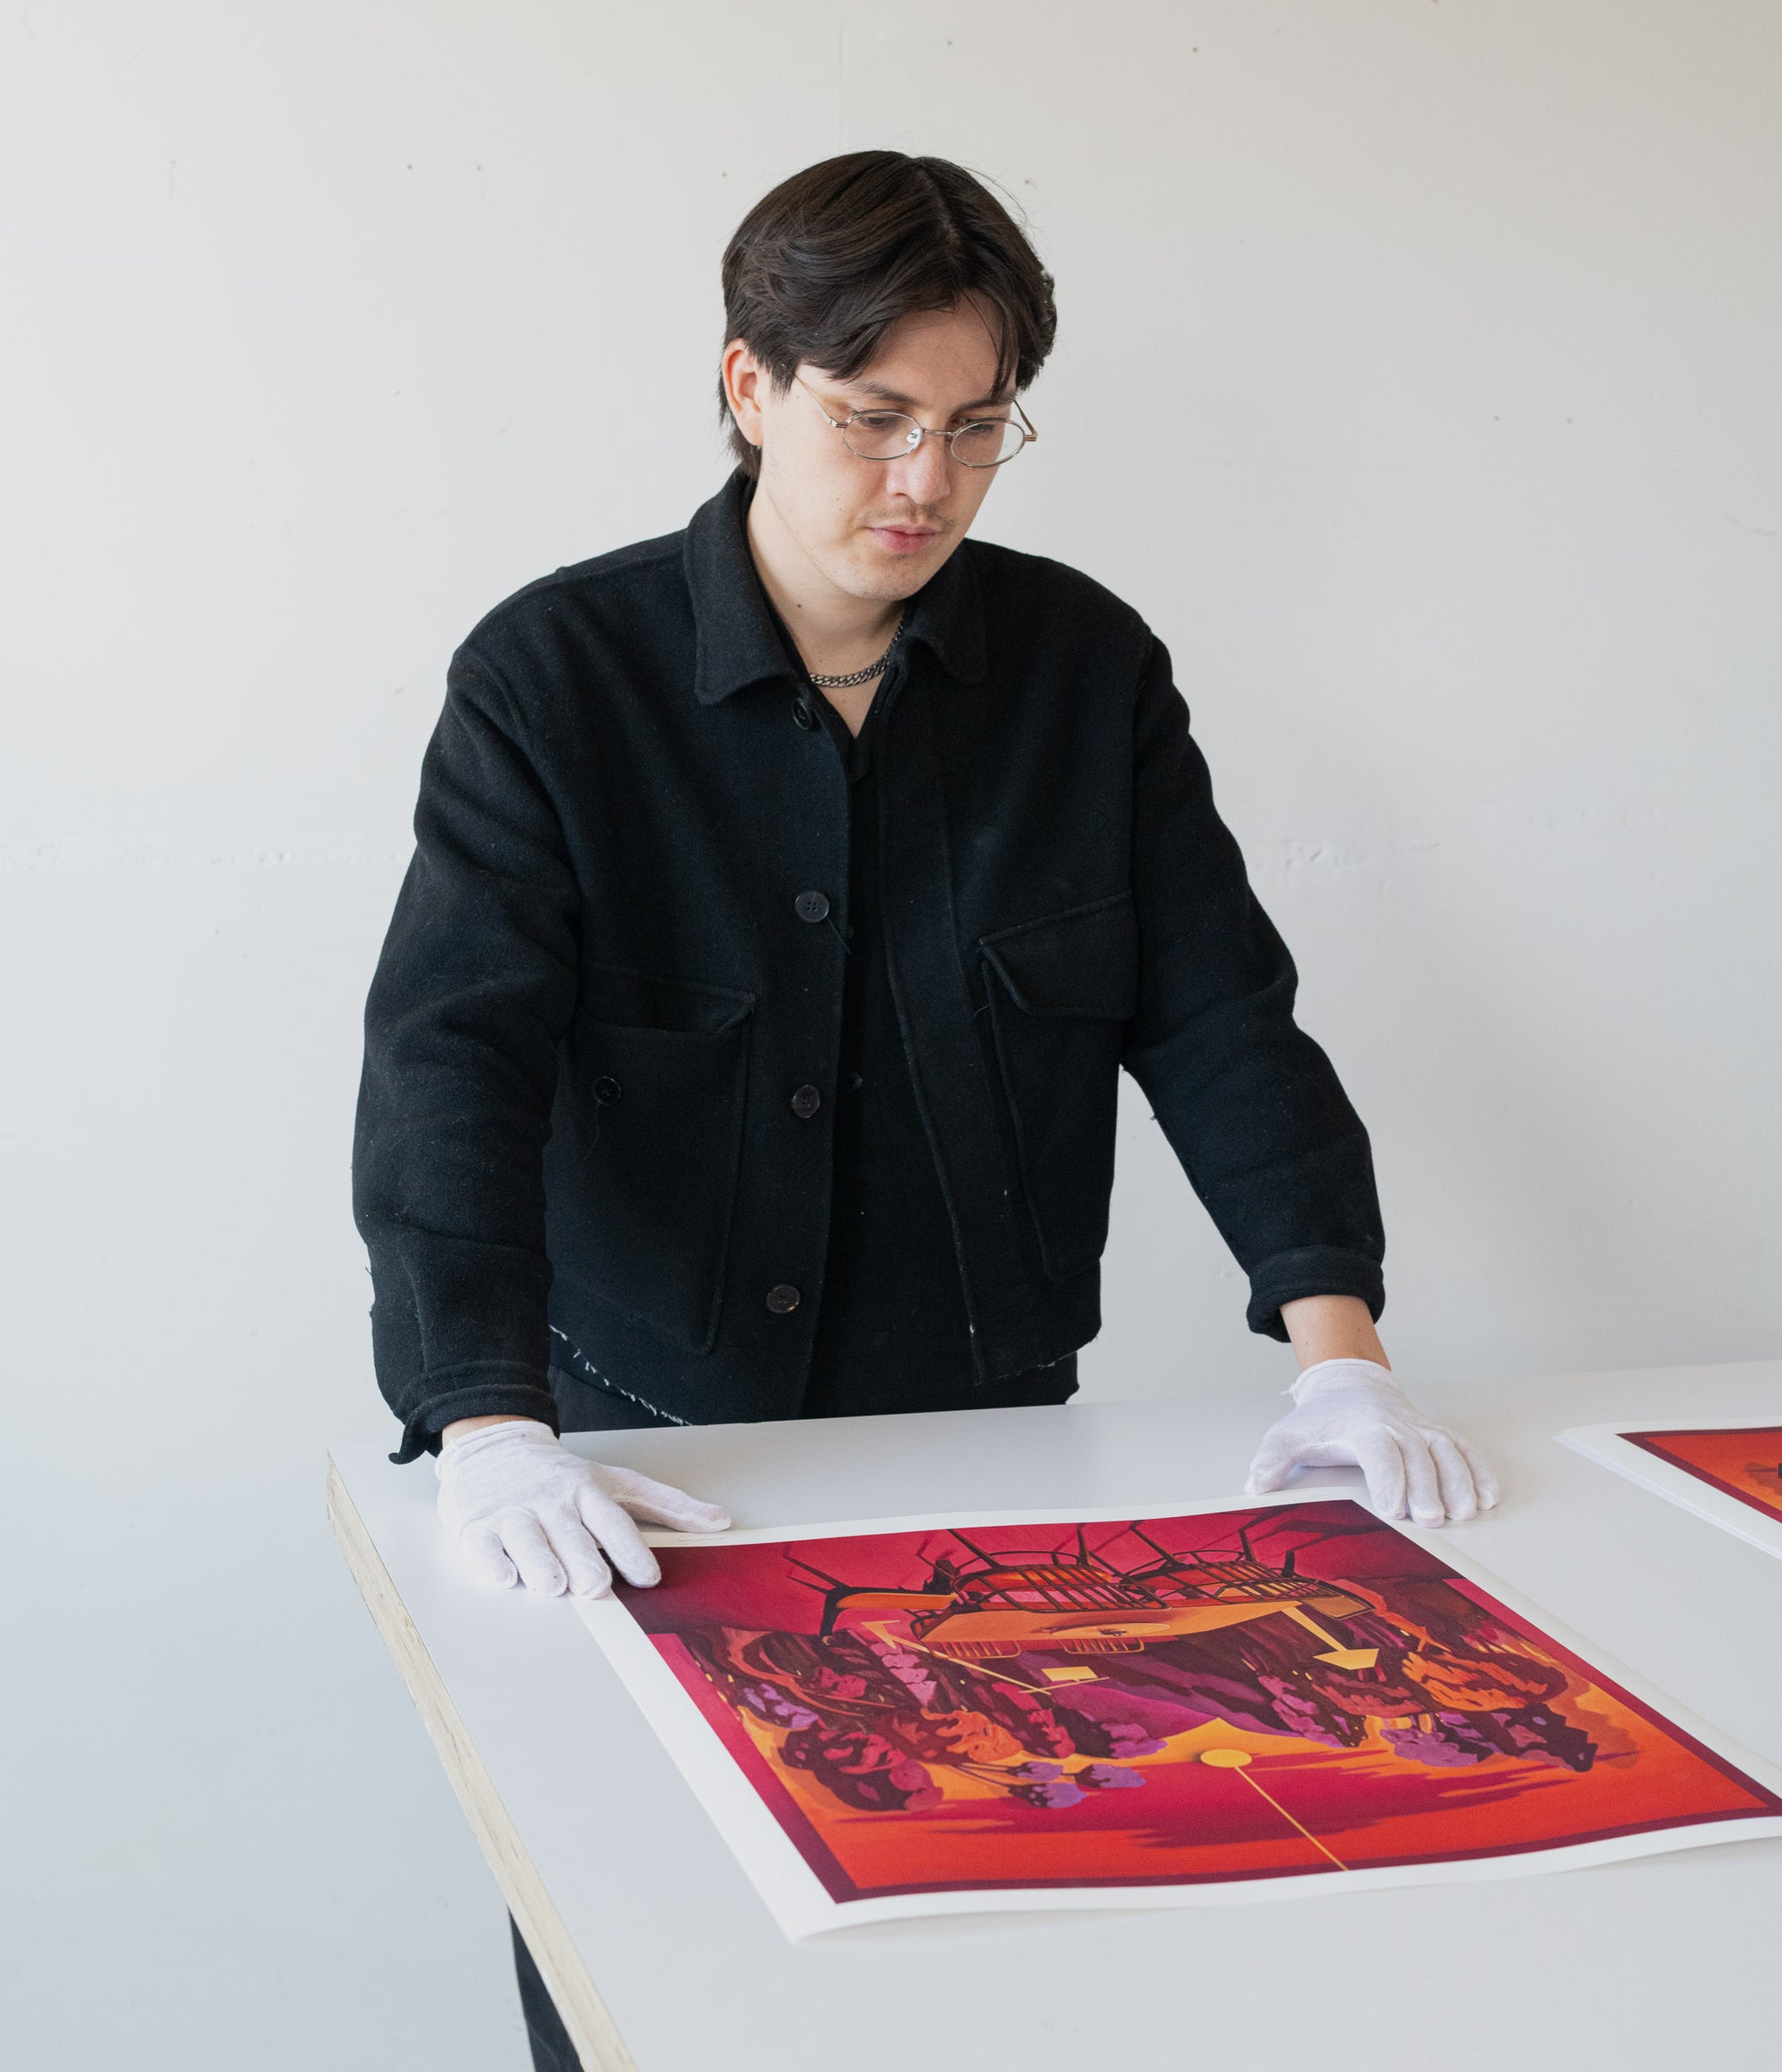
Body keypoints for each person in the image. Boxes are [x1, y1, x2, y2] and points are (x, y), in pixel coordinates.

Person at [353, 150, 1497, 2068]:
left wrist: (1341, 1352)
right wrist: (484, 1424)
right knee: (651, 1977)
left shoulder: (1083, 669)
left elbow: (1220, 1011)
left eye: (977, 430)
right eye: (873, 419)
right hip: (635, 1467)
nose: (925, 483)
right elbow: (449, 1061)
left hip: (990, 1467)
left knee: (986, 1979)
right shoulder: (555, 677)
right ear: (747, 386)